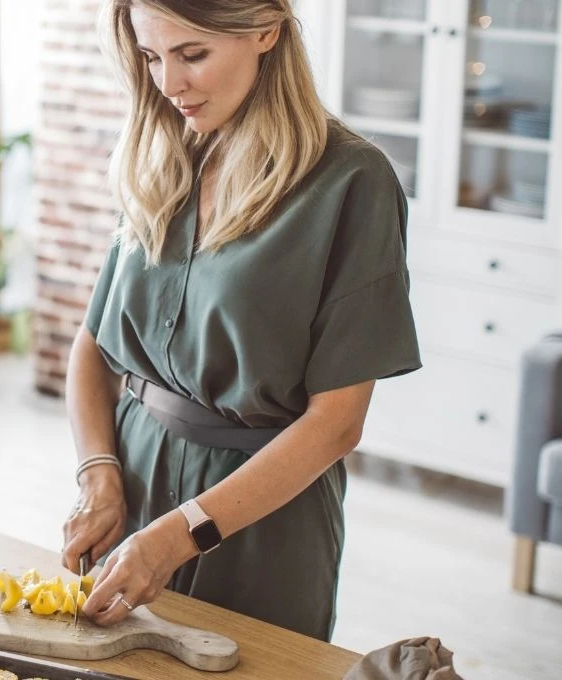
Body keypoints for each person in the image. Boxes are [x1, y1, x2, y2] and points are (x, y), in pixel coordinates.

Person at [62, 0, 421, 642]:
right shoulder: (161, 151)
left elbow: (337, 424)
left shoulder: (352, 181)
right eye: (151, 57)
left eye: (192, 54)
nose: (168, 84)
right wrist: (98, 474)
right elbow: (93, 348)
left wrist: (182, 533)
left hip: (263, 518)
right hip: (133, 478)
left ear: (266, 30)